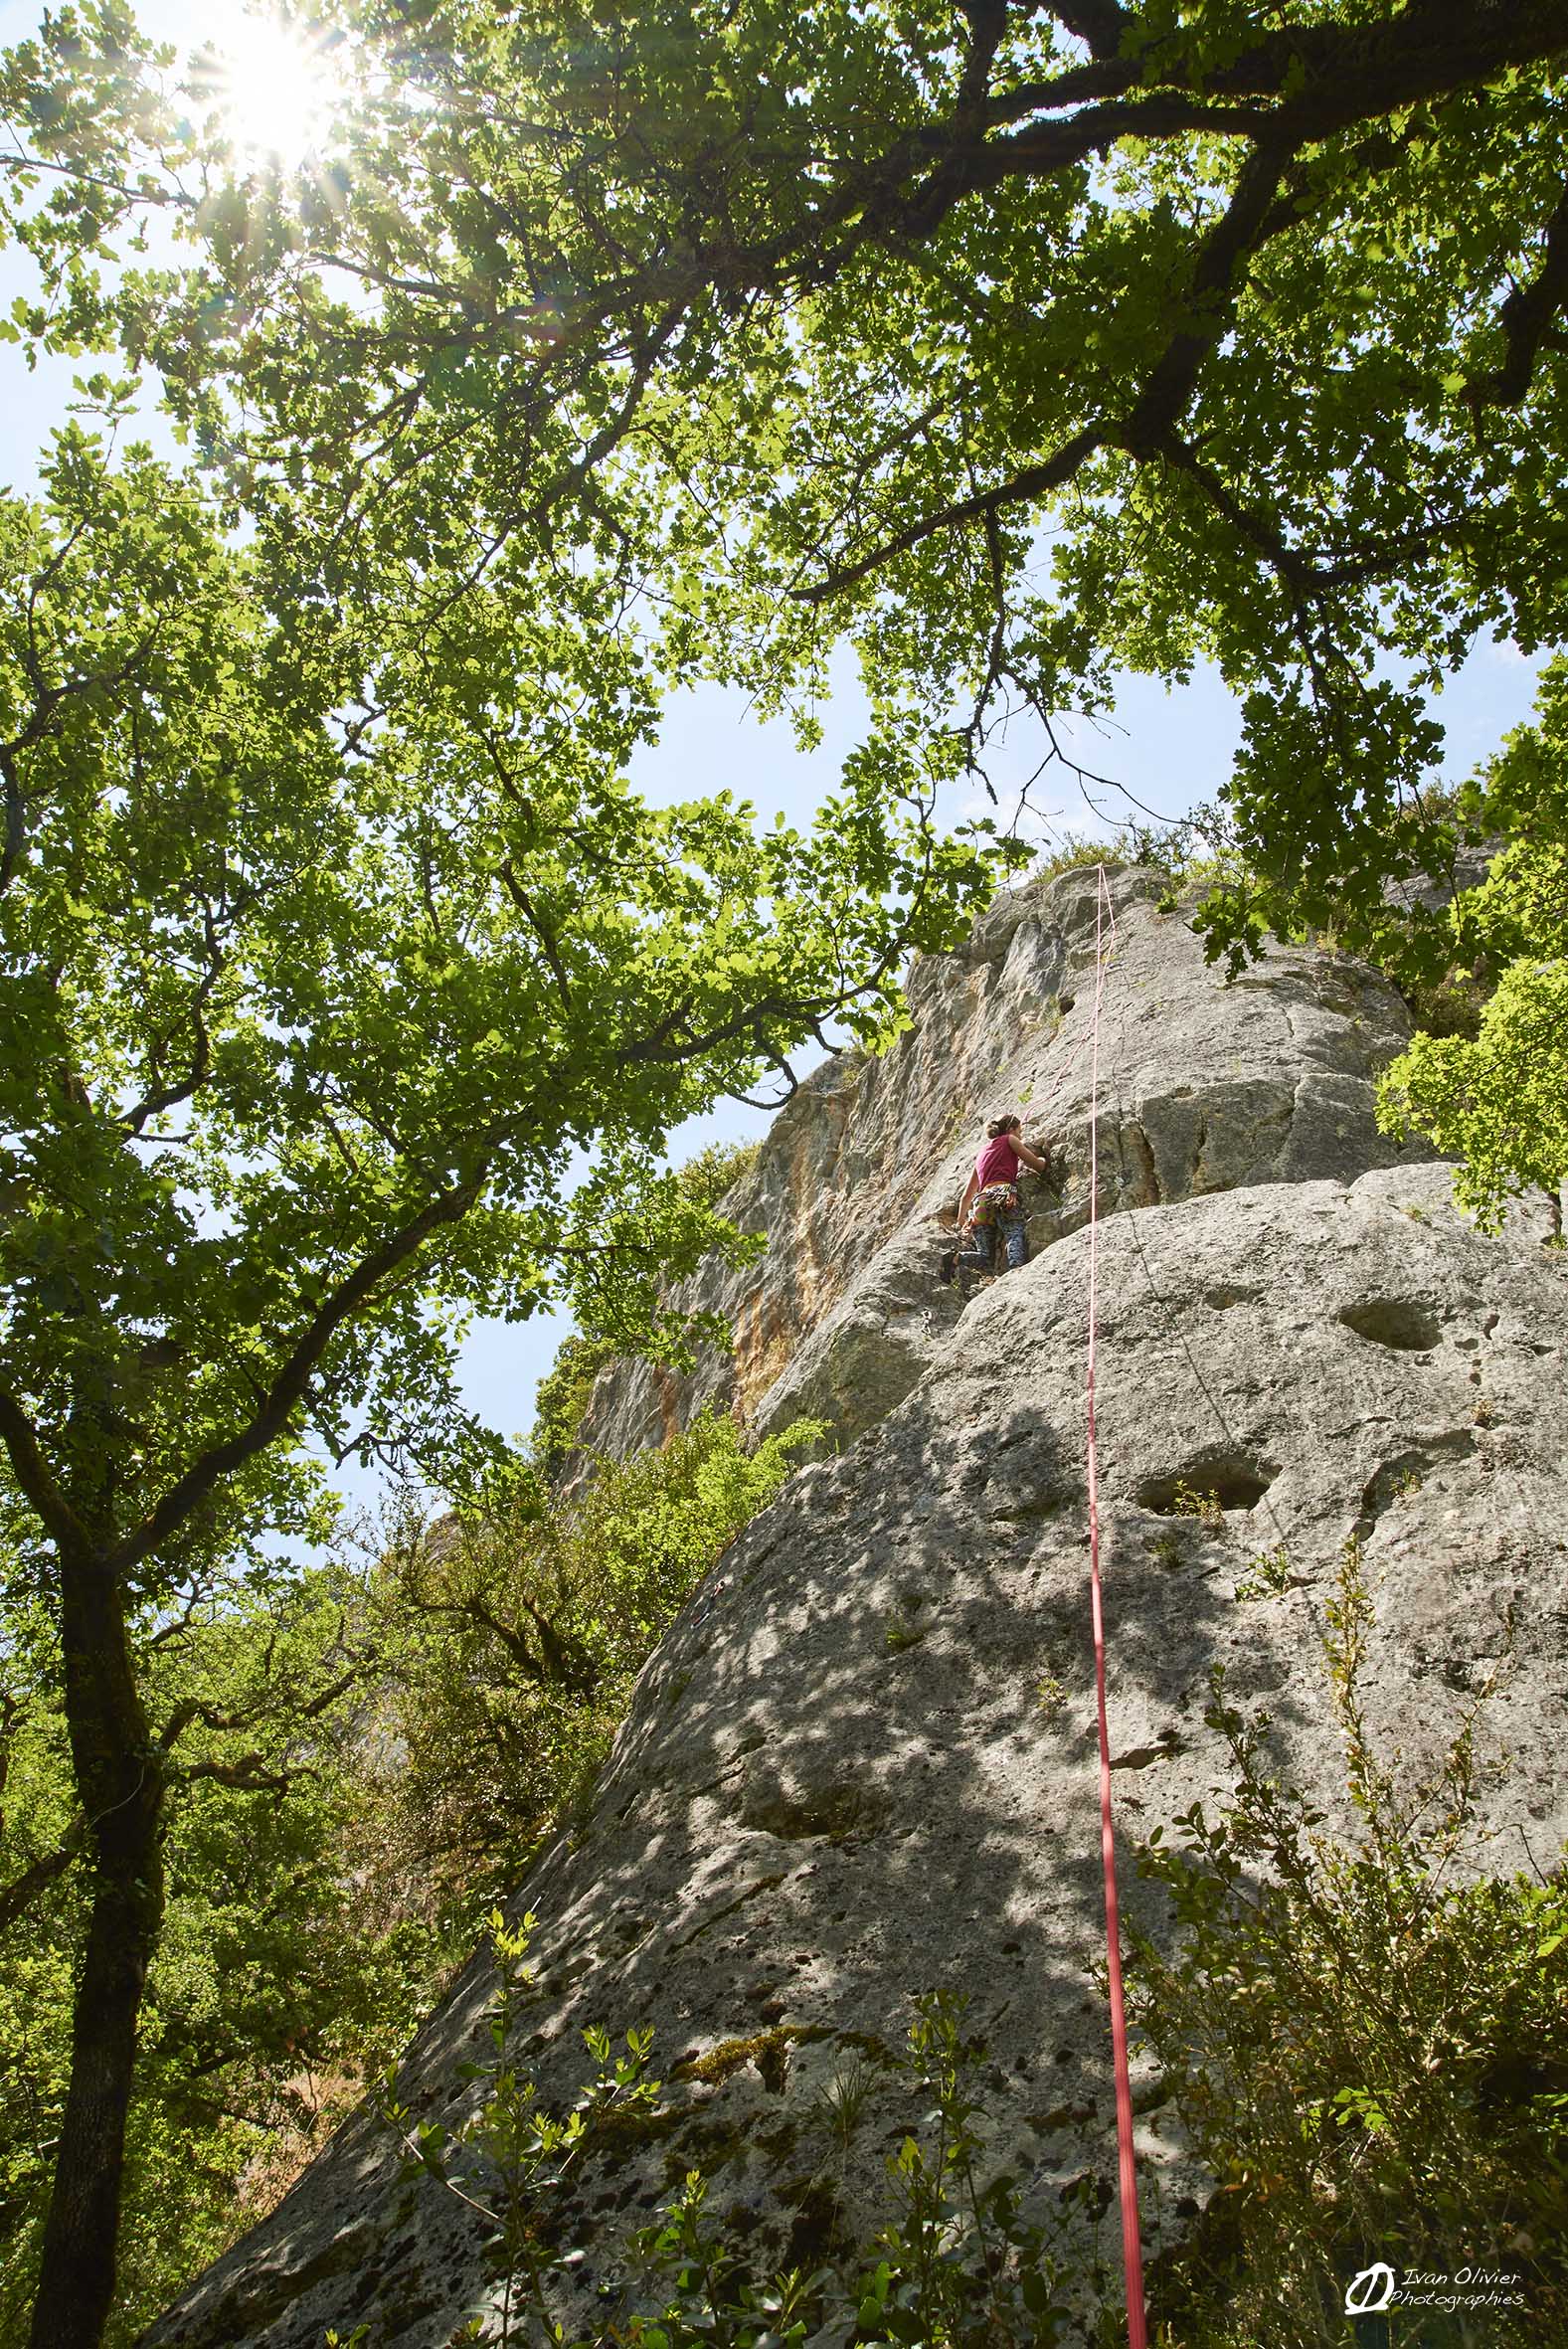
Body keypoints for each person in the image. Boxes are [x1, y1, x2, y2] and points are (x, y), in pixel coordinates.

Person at [943, 1113, 1051, 1287]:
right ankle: (1016, 1272)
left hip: (981, 1202)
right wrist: (1043, 1158)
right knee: (1014, 1233)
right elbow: (1036, 1165)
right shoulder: (1010, 1139)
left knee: (986, 1258)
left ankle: (955, 1259)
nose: (1020, 1136)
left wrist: (962, 1221)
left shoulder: (981, 1153)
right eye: (1019, 1131)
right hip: (1003, 1194)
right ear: (1011, 1129)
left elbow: (967, 1195)